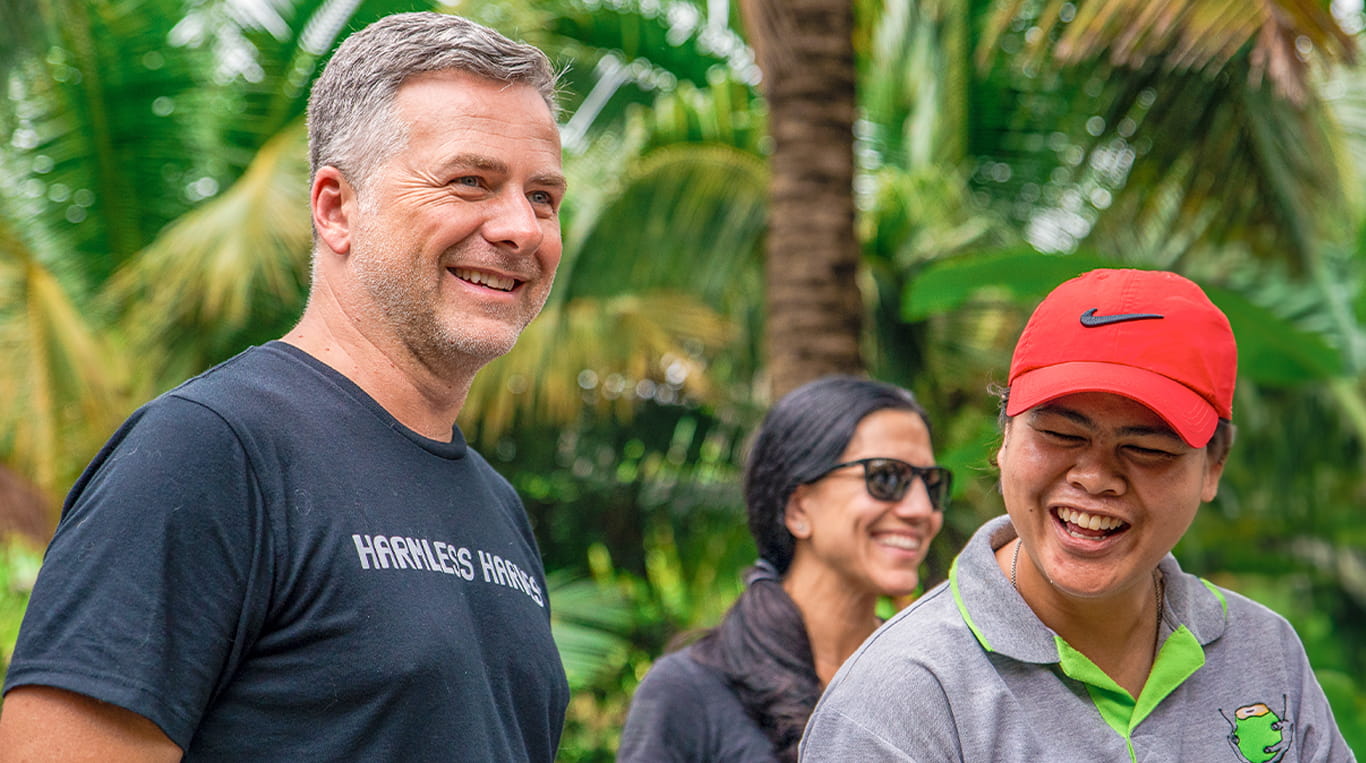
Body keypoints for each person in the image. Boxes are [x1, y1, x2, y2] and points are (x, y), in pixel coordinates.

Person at [0, 12, 570, 760]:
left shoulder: (497, 507)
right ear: (336, 207)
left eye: (543, 197)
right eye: (470, 182)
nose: (521, 228)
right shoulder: (207, 450)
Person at [801, 269, 1355, 761]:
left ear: (1214, 466)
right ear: (1005, 440)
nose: (1094, 476)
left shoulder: (1263, 651)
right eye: (1061, 435)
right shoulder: (904, 695)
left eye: (1148, 449)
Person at [618, 375, 953, 762]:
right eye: (885, 478)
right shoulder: (688, 690)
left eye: (930, 484)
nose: (921, 510)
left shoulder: (923, 680)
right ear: (797, 508)